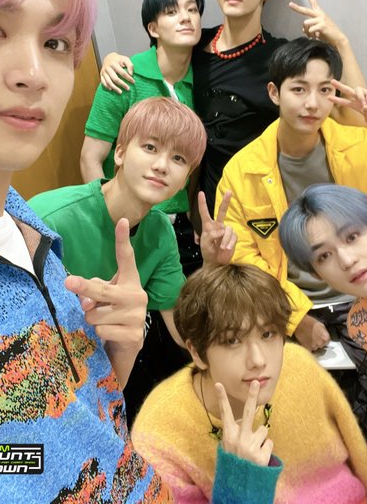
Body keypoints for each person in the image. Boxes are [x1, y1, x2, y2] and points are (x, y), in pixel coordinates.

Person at [0, 0, 257, 503]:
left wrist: (115, 358)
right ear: (120, 151)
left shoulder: (29, 232)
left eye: (55, 42)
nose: (33, 72)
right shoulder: (49, 218)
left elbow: (49, 439)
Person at [99, 0, 366, 216]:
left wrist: (341, 43)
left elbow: (354, 120)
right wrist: (112, 60)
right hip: (203, 206)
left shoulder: (281, 57)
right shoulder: (192, 43)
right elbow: (153, 67)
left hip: (261, 205)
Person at [29, 97, 235, 423]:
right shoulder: (49, 217)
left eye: (178, 158)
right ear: (120, 153)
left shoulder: (160, 233)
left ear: (185, 178)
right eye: (150, 147)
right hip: (30, 379)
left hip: (102, 382)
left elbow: (185, 332)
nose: (162, 165)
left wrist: (214, 266)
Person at [131, 264, 367, 504]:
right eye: (232, 340)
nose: (258, 360)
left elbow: (361, 463)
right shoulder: (159, 434)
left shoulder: (299, 366)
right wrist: (240, 481)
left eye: (268, 334)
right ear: (197, 352)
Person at [215, 37, 367, 353]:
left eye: (325, 90)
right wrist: (296, 319)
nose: (313, 103)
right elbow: (245, 258)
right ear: (274, 93)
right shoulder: (242, 171)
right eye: (299, 89)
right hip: (289, 309)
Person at [82, 0, 205, 275]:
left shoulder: (205, 81)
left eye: (192, 9)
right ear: (153, 28)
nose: (185, 18)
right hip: (126, 223)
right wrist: (105, 222)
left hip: (178, 223)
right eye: (172, 12)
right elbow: (90, 157)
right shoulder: (124, 77)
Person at [279, 183, 367, 464]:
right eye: (324, 256)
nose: (347, 261)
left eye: (352, 236)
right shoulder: (361, 326)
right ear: (317, 275)